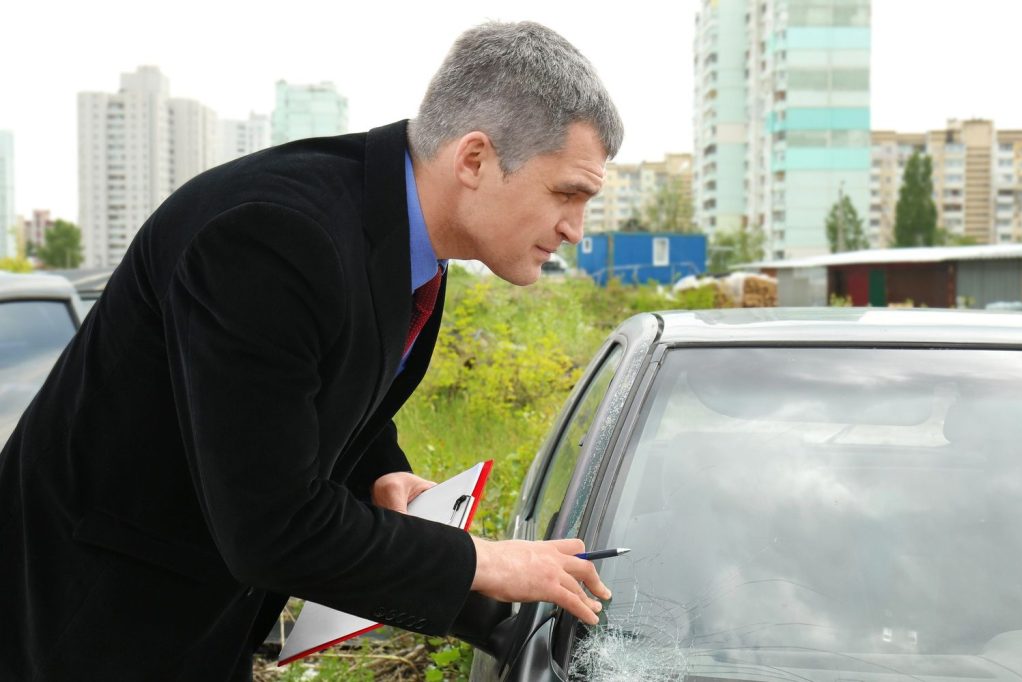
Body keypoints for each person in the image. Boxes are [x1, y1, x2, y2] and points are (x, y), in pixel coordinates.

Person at [0, 20, 623, 680]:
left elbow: (312, 391)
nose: (575, 230)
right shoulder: (274, 238)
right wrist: (486, 562)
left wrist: (378, 471)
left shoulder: (394, 240)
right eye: (567, 194)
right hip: (83, 627)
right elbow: (273, 525)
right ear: (473, 160)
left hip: (194, 616)